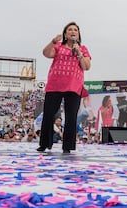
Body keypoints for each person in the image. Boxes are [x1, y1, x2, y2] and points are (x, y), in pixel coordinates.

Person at [37, 22, 91, 153]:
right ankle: (45, 144)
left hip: (73, 86)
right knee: (49, 114)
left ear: (78, 34)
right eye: (70, 30)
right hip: (55, 85)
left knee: (71, 116)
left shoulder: (83, 49)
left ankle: (67, 146)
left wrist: (79, 53)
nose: (73, 32)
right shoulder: (58, 46)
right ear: (65, 34)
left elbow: (86, 66)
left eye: (75, 30)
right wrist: (52, 41)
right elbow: (46, 53)